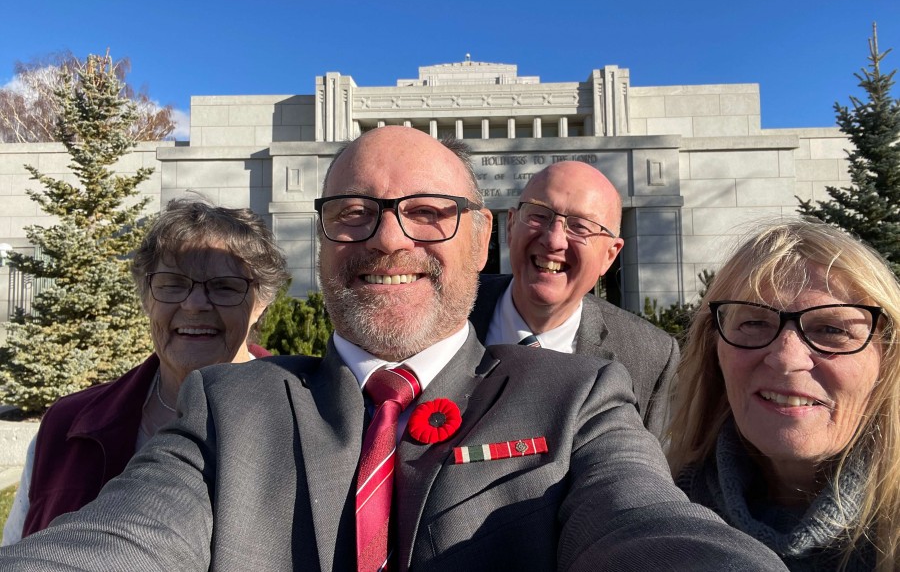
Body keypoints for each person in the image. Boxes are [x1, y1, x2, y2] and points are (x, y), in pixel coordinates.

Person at [0, 127, 787, 571]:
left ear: (481, 237)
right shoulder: (227, 408)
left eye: (429, 212)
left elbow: (646, 522)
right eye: (354, 212)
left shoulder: (579, 398)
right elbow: (118, 540)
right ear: (321, 239)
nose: (387, 238)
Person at [1, 197, 289, 545]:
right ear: (146, 297)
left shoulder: (305, 425)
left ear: (261, 303)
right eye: (172, 283)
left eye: (224, 286)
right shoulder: (67, 428)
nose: (194, 304)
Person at [668, 219, 900, 570]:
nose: (786, 359)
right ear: (713, 349)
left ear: (888, 356)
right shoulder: (661, 522)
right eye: (754, 323)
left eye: (831, 329)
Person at [470, 161, 679, 437]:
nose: (554, 240)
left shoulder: (649, 355)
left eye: (580, 227)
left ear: (610, 255)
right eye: (539, 215)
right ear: (511, 225)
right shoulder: (448, 309)